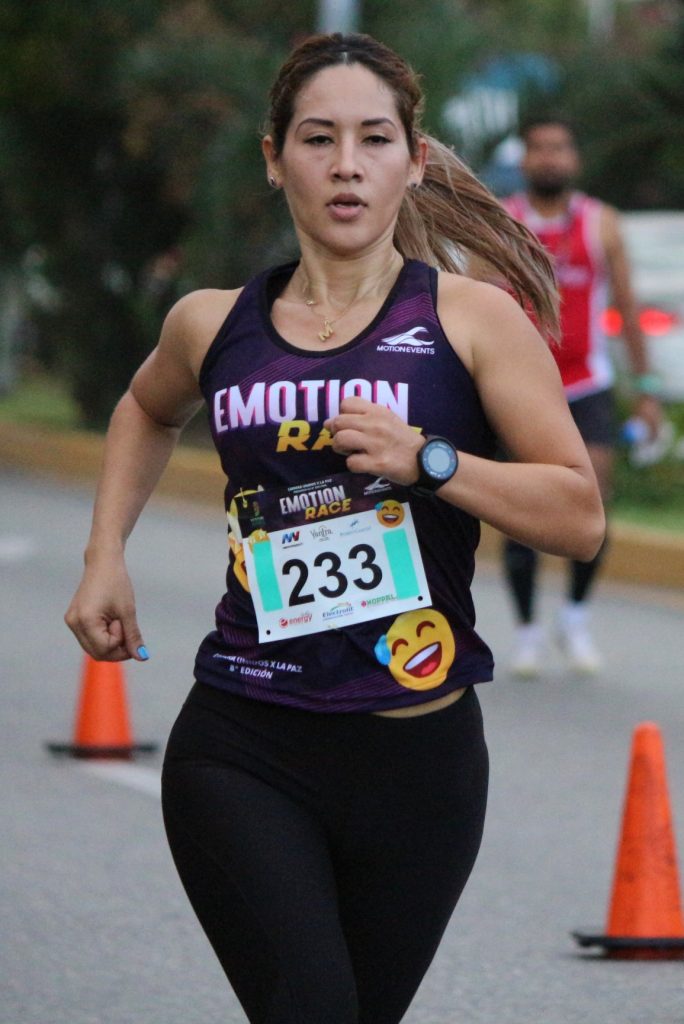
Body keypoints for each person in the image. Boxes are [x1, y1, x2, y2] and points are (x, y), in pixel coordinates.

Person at [64, 35, 604, 1024]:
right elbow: (145, 408)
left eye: (374, 139)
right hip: (245, 739)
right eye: (318, 139)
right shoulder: (211, 323)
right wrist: (105, 557)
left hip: (419, 753)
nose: (346, 164)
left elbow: (579, 514)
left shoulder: (474, 321)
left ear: (415, 160)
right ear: (276, 159)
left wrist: (430, 460)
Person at [500, 116, 662, 678]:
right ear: (525, 160)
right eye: (539, 148)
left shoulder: (602, 223)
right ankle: (526, 632)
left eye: (560, 147)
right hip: (521, 385)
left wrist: (646, 390)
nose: (550, 157)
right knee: (521, 508)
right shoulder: (503, 221)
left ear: (574, 159)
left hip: (587, 380)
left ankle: (574, 618)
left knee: (593, 497)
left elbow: (629, 307)